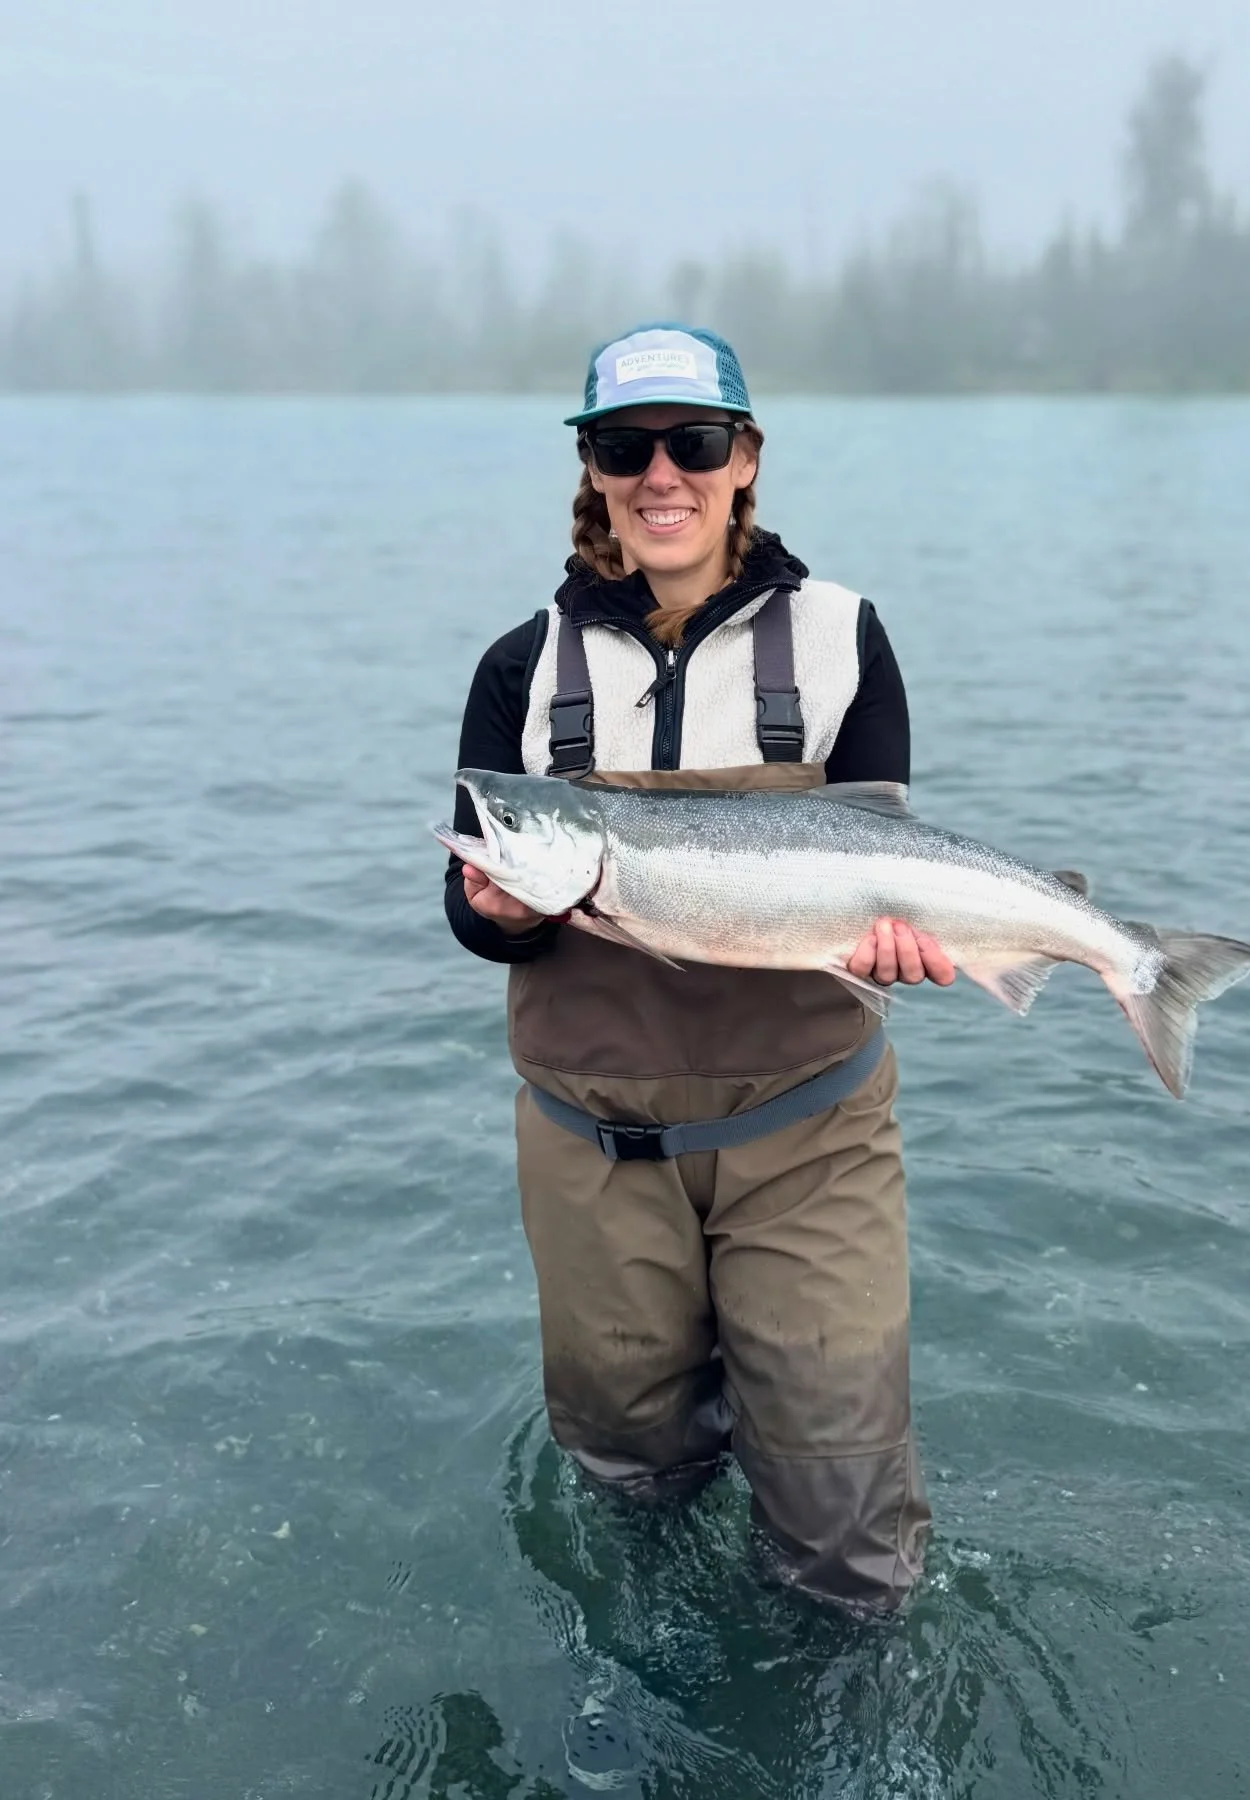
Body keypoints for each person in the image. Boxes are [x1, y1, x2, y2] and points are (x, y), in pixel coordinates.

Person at [444, 323, 954, 1610]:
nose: (660, 474)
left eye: (695, 442)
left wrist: (900, 947)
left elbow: (884, 845)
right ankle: (639, 1657)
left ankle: (850, 1721)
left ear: (745, 461)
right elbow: (467, 919)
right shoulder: (520, 668)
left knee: (843, 1513)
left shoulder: (845, 638)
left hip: (810, 1140)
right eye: (626, 447)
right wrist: (502, 909)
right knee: (628, 1476)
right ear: (593, 467)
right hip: (593, 1147)